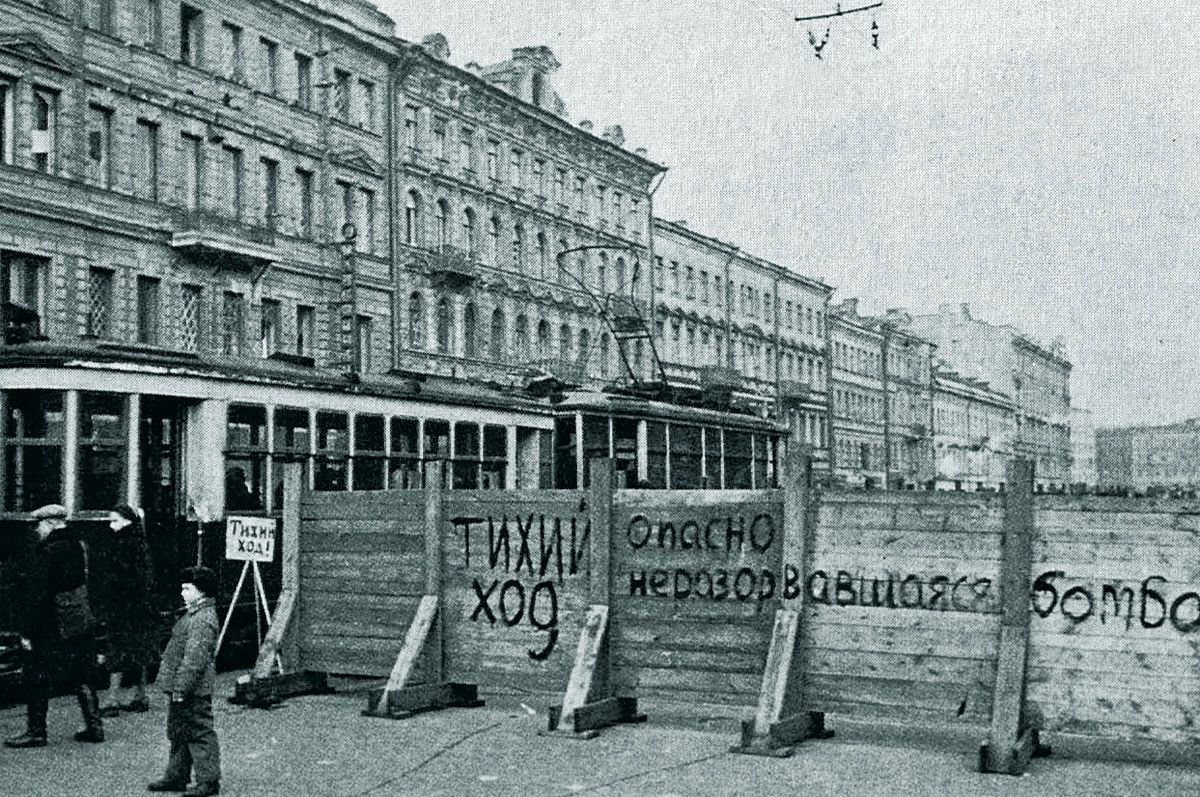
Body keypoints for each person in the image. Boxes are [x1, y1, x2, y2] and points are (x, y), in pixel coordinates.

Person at [4, 503, 105, 748]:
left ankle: (36, 731)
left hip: (50, 624)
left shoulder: (49, 551)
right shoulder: (76, 546)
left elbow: (39, 594)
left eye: (39, 524)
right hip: (74, 622)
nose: (37, 529)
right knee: (81, 672)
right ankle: (94, 726)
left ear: (49, 523)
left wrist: (26, 631)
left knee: (36, 675)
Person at [149, 566, 221, 797]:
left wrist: (181, 688)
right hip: (185, 687)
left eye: (187, 588)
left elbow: (195, 660)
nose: (182, 592)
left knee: (199, 732)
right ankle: (177, 776)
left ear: (200, 591)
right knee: (180, 731)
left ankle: (208, 781)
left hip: (192, 689)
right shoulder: (196, 614)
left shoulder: (201, 619)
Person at [95, 504, 156, 716]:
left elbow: (118, 578)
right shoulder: (140, 542)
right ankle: (140, 696)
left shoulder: (122, 544)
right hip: (140, 607)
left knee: (116, 650)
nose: (112, 526)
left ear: (126, 521)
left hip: (123, 607)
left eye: (115, 521)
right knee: (140, 651)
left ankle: (112, 700)